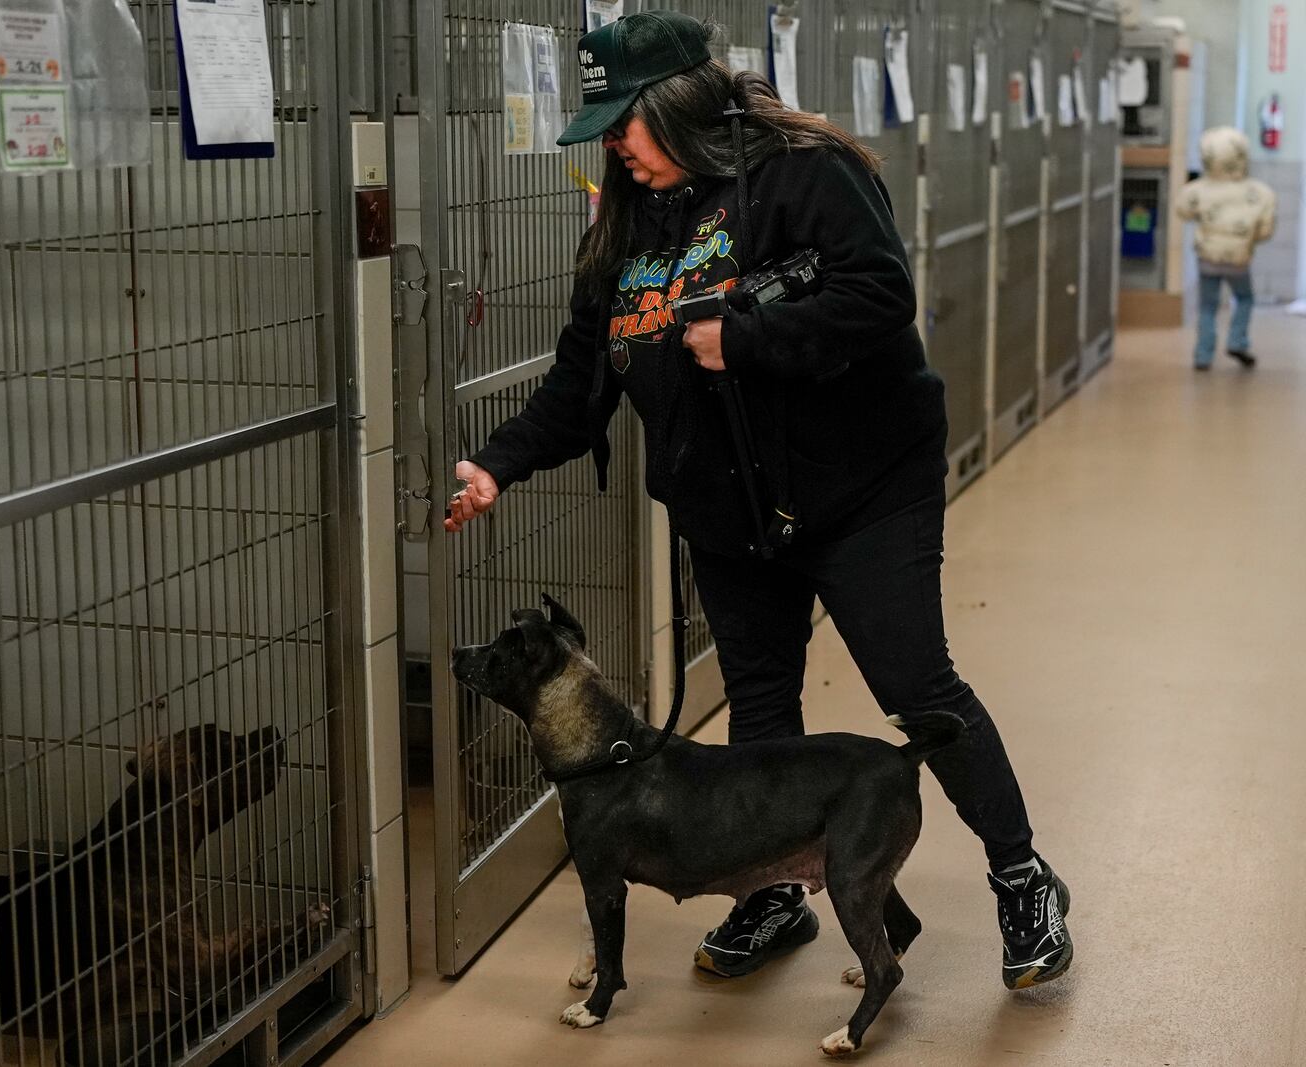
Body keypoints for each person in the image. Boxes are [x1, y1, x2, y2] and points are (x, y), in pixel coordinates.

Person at [443, 12, 1074, 990]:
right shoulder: (621, 225)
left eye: (625, 123)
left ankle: (1021, 873)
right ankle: (771, 889)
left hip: (862, 487)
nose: (613, 145)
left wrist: (743, 341)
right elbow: (579, 386)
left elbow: (878, 296)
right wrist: (495, 464)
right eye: (603, 128)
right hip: (726, 502)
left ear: (678, 104)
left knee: (915, 684)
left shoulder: (802, 171)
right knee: (762, 701)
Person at [1174, 126, 1277, 371]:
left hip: (1207, 258)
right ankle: (1237, 340)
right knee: (1244, 298)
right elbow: (1265, 231)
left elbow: (1183, 211)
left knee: (1207, 306)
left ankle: (1203, 356)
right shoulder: (1260, 193)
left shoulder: (1197, 190)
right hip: (1239, 260)